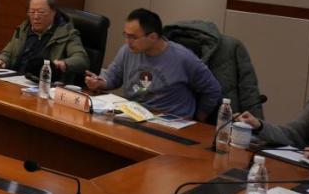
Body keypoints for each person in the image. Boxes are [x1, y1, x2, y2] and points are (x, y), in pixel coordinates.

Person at [85, 8, 221, 120]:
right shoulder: (127, 50)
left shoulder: (184, 58)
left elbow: (213, 89)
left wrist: (199, 118)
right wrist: (100, 83)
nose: (128, 42)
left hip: (169, 121)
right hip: (133, 115)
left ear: (153, 37)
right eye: (126, 35)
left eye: (133, 37)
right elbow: (113, 76)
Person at [0, 0, 89, 83]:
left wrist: (64, 63)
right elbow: (8, 53)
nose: (36, 17)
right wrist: (1, 60)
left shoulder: (67, 33)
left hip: (42, 84)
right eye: (32, 12)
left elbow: (81, 59)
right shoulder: (23, 29)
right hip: (14, 79)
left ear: (53, 12)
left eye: (41, 12)